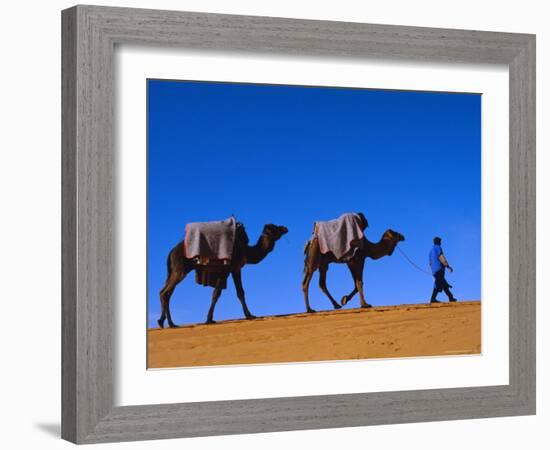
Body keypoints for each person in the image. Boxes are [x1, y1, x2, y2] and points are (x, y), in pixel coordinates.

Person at [429, 236, 457, 303]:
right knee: (438, 283)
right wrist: (448, 266)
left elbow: (430, 263)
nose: (441, 243)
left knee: (443, 283)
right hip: (439, 269)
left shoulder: (430, 251)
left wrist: (433, 271)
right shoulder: (438, 247)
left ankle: (451, 297)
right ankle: (433, 299)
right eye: (440, 241)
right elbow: (441, 257)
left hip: (434, 271)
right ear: (438, 242)